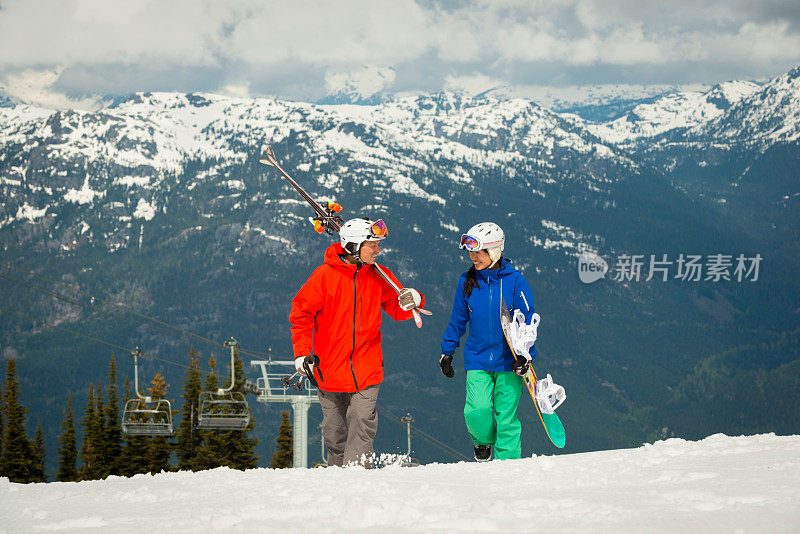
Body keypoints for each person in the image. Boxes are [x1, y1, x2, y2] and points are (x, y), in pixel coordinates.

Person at [289, 217, 424, 467]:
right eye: (372, 245)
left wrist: (415, 299)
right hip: (328, 369)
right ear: (353, 246)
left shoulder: (378, 275)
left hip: (366, 368)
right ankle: (338, 481)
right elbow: (301, 315)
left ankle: (357, 478)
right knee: (335, 433)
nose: (378, 250)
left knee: (362, 426)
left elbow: (397, 307)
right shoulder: (324, 277)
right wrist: (301, 354)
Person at [439, 222, 537, 461]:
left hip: (509, 361)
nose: (473, 256)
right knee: (476, 411)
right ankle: (482, 442)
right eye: (471, 252)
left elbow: (528, 320)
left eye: (479, 251)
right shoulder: (467, 281)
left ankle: (509, 466)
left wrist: (526, 353)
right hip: (478, 359)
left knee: (506, 419)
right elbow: (458, 320)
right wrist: (447, 350)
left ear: (494, 251)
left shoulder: (515, 281)